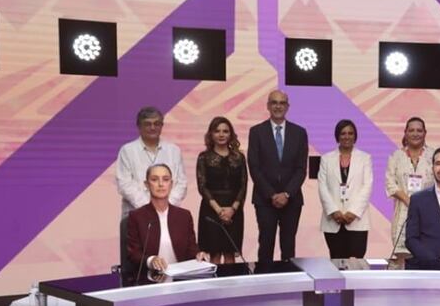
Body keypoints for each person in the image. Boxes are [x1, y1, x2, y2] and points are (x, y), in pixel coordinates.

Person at [247, 90, 308, 264]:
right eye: (274, 102)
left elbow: (301, 169)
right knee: (265, 245)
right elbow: (254, 167)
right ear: (268, 106)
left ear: (288, 107)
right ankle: (264, 279)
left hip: (292, 200)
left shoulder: (299, 132)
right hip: (265, 200)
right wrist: (272, 195)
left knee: (288, 247)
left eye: (282, 103)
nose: (278, 106)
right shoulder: (256, 132)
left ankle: (289, 279)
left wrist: (286, 194)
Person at [126, 163, 209, 273]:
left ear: (171, 184)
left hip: (181, 277)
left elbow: (191, 249)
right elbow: (134, 254)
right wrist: (151, 260)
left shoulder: (184, 216)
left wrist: (199, 255)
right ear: (146, 184)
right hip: (151, 277)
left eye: (165, 179)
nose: (161, 184)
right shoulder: (137, 217)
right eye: (154, 179)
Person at [116, 107, 187, 217]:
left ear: (162, 126)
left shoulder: (174, 150)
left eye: (157, 124)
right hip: (135, 214)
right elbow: (124, 184)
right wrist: (150, 207)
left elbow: (181, 184)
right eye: (148, 124)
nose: (153, 127)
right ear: (139, 126)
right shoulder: (127, 150)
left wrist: (166, 206)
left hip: (168, 214)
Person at [318, 119, 373, 259]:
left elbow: (367, 186)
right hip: (333, 220)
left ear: (355, 136)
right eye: (343, 133)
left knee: (357, 261)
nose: (347, 136)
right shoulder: (326, 159)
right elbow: (322, 187)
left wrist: (353, 212)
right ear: (337, 136)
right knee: (336, 259)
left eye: (350, 133)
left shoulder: (365, 158)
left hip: (357, 220)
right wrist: (333, 211)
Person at [196, 117, 247, 264]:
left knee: (230, 254)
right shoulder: (204, 157)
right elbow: (202, 186)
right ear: (211, 134)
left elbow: (243, 185)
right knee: (215, 255)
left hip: (234, 210)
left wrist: (233, 209)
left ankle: (231, 281)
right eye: (217, 131)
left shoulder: (239, 157)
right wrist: (219, 210)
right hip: (211, 209)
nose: (221, 134)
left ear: (231, 134)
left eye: (225, 131)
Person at [385, 117, 433, 259]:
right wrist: (408, 200)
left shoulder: (434, 155)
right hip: (402, 213)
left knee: (426, 257)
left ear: (425, 133)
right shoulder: (396, 156)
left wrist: (420, 202)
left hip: (428, 212)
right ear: (405, 133)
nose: (415, 134)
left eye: (419, 130)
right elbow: (390, 184)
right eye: (411, 130)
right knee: (402, 259)